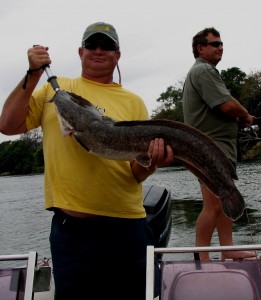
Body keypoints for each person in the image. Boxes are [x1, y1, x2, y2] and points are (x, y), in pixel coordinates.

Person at [0, 21, 173, 299]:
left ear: (117, 55)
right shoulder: (55, 92)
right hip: (72, 233)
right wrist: (33, 74)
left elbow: (134, 173)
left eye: (107, 46)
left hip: (126, 227)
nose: (98, 50)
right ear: (80, 52)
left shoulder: (133, 102)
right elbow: (7, 125)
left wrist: (152, 161)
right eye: (92, 45)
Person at [182, 27, 256, 261]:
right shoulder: (203, 70)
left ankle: (228, 250)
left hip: (218, 148)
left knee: (226, 197)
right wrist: (245, 116)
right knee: (213, 205)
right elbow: (226, 105)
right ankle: (201, 257)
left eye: (221, 43)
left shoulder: (205, 71)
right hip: (208, 149)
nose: (220, 47)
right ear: (200, 48)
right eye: (215, 44)